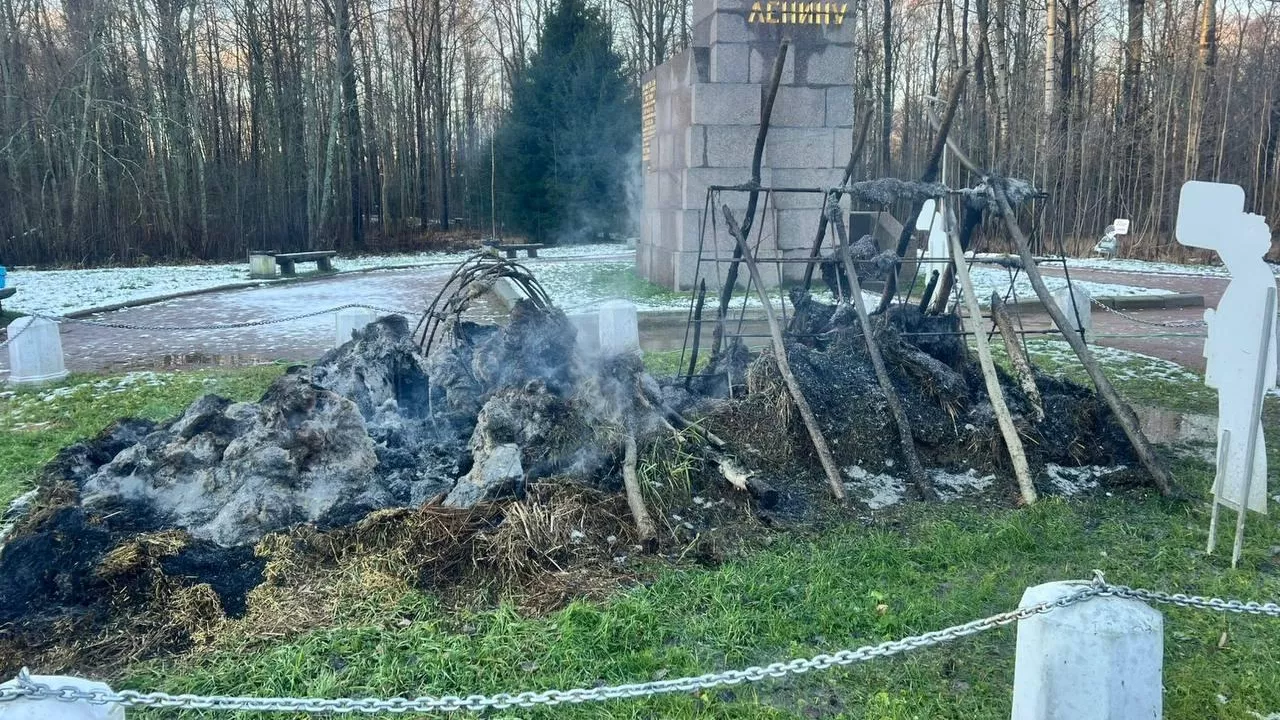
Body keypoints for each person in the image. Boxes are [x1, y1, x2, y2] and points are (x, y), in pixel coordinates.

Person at [1176, 181, 1277, 513]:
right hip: (1241, 366)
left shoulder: (1255, 279)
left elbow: (1251, 332)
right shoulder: (1251, 276)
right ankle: (1232, 489)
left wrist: (1216, 324)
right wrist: (1215, 322)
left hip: (1245, 368)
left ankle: (1240, 493)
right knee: (1232, 428)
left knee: (1239, 429)